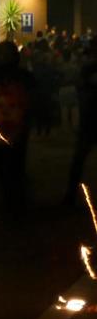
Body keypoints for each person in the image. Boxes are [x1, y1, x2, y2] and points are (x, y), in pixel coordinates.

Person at [0, 40, 33, 215]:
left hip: (17, 127)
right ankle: (9, 200)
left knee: (15, 164)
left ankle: (15, 202)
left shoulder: (23, 77)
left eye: (6, 54)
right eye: (1, 54)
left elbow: (31, 101)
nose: (3, 58)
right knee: (2, 165)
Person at [64, 42, 97, 206]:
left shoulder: (87, 69)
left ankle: (70, 195)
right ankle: (70, 195)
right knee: (79, 159)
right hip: (90, 119)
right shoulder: (88, 69)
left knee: (79, 159)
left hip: (89, 119)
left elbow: (81, 90)